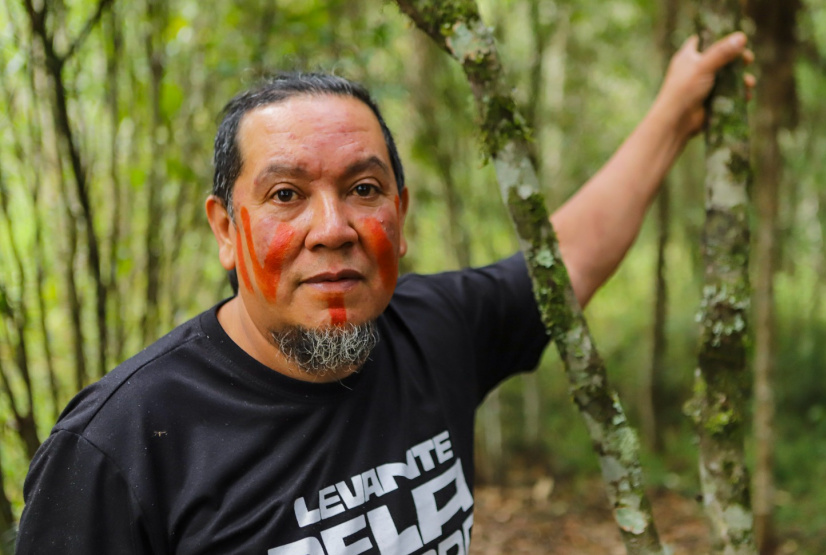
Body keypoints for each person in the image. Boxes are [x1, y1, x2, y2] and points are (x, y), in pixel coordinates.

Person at [16, 33, 753, 554]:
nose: (332, 227)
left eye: (362, 189)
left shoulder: (433, 329)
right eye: (285, 194)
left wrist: (674, 113)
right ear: (224, 229)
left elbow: (568, 260)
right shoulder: (119, 445)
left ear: (398, 218)